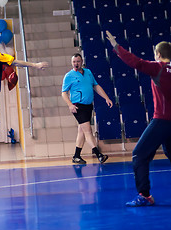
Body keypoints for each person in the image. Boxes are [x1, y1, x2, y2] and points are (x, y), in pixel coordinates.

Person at [106, 31, 171, 207]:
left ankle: (144, 195)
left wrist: (116, 46)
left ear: (158, 55)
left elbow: (135, 62)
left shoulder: (157, 67)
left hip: (162, 120)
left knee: (139, 155)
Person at [61, 53, 113, 164]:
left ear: (82, 61)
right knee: (88, 130)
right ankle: (99, 155)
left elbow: (96, 86)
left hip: (88, 105)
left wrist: (106, 98)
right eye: (74, 62)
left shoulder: (88, 72)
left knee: (81, 130)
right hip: (77, 106)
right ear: (71, 63)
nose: (76, 64)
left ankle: (76, 156)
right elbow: (64, 93)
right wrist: (70, 105)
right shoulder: (69, 76)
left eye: (78, 61)